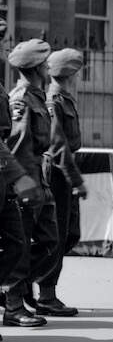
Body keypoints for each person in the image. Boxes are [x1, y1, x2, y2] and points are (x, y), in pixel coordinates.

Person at [3, 40, 62, 327]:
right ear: (37, 67)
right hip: (26, 179)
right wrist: (23, 184)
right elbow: (15, 147)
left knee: (50, 241)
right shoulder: (21, 99)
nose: (49, 67)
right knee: (21, 243)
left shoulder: (38, 96)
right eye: (46, 63)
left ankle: (18, 289)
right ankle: (13, 303)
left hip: (39, 175)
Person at [37, 49, 88, 317]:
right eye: (77, 74)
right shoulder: (54, 101)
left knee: (70, 233)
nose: (79, 79)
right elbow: (57, 145)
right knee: (56, 233)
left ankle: (41, 285)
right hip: (56, 171)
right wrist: (76, 180)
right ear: (70, 75)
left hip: (64, 170)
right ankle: (45, 292)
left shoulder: (65, 100)